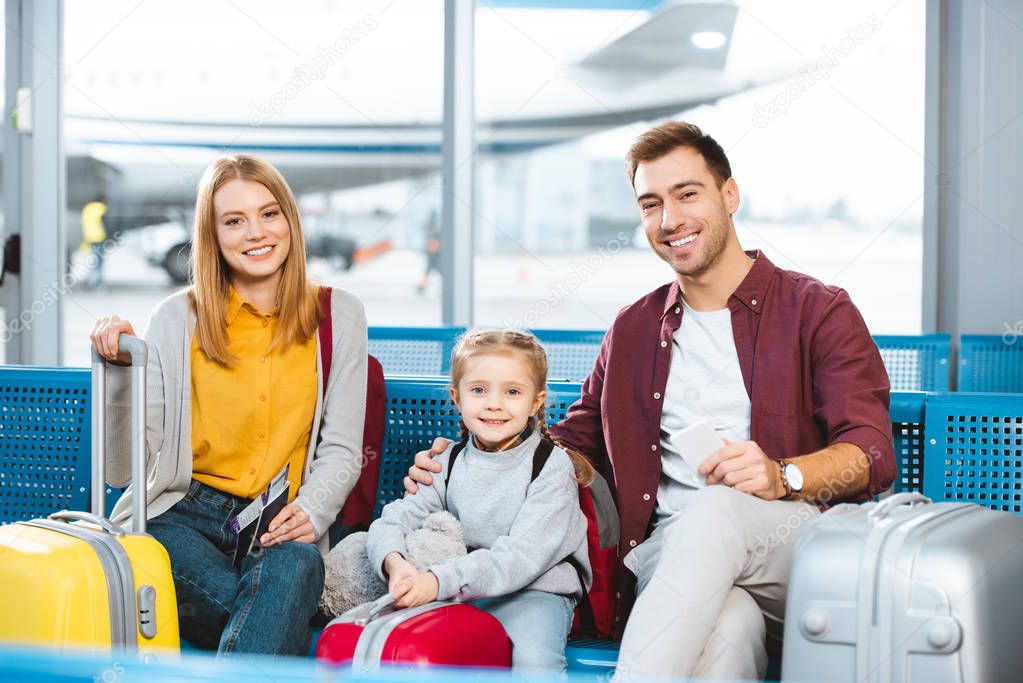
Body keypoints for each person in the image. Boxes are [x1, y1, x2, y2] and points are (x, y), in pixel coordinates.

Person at [404, 122, 895, 679]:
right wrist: (472, 458)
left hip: (793, 557)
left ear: (729, 195)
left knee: (714, 509)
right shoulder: (635, 327)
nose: (669, 220)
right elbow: (570, 443)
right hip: (670, 567)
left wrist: (783, 475)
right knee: (728, 630)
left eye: (687, 194)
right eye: (650, 204)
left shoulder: (817, 311)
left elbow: (872, 452)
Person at [90, 155, 368, 656]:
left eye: (269, 213)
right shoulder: (177, 317)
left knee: (299, 566)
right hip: (181, 512)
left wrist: (312, 509)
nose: (256, 233)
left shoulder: (339, 315)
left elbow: (343, 447)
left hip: (279, 518)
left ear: (290, 219)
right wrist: (120, 374)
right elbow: (119, 469)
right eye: (234, 221)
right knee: (271, 607)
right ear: (212, 235)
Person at [368, 329, 593, 671]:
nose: (494, 403)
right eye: (478, 390)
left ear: (536, 401)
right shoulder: (445, 461)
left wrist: (436, 581)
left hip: (534, 592)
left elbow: (518, 559)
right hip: (459, 586)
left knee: (535, 663)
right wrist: (395, 564)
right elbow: (394, 520)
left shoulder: (551, 467)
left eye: (513, 392)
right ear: (457, 398)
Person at [81, 196, 108, 290]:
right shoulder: (101, 208)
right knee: (99, 262)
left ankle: (89, 280)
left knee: (93, 260)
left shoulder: (87, 208)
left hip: (89, 238)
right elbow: (106, 223)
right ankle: (98, 284)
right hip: (100, 237)